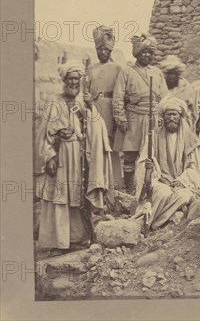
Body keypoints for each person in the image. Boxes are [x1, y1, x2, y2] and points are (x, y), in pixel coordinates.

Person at [36, 61, 113, 250]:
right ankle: (57, 241)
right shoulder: (54, 102)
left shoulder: (82, 104)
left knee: (77, 197)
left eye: (77, 80)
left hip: (79, 158)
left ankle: (77, 238)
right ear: (64, 80)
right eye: (70, 79)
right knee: (58, 196)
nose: (73, 83)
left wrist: (90, 107)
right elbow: (42, 135)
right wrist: (49, 156)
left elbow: (97, 129)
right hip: (60, 156)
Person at [133, 98, 200, 230]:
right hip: (159, 180)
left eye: (175, 114)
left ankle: (156, 221)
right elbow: (144, 159)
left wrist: (182, 180)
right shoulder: (153, 136)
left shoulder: (190, 139)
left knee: (184, 196)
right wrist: (150, 167)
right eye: (168, 114)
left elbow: (194, 167)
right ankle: (142, 221)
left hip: (179, 182)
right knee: (164, 193)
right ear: (164, 116)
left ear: (180, 117)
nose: (171, 118)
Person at [113, 33, 168, 195]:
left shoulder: (157, 72)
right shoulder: (127, 71)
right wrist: (120, 119)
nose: (147, 55)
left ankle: (149, 186)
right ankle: (129, 188)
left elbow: (165, 98)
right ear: (137, 53)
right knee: (130, 154)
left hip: (153, 119)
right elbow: (118, 97)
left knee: (151, 154)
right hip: (134, 118)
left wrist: (162, 117)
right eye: (144, 52)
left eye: (150, 52)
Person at [84, 25, 123, 191]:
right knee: (95, 144)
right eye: (99, 49)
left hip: (110, 108)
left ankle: (113, 183)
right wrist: (86, 98)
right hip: (93, 108)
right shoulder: (91, 69)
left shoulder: (118, 68)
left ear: (110, 50)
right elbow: (84, 90)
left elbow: (121, 93)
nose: (102, 52)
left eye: (106, 49)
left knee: (111, 145)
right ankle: (96, 182)